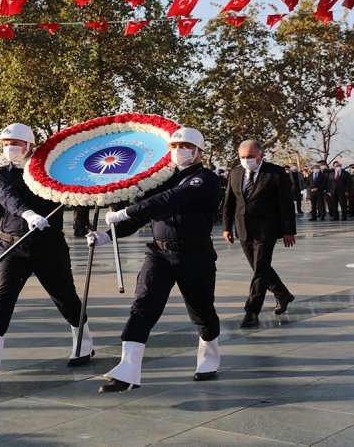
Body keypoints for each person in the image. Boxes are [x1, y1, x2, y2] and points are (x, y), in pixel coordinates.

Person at [0, 123, 94, 382]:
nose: (10, 148)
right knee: (1, 300)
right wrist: (28, 213)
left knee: (65, 297)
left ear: (30, 146)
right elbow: (7, 197)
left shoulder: (51, 173)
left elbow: (73, 191)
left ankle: (84, 343)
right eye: (6, 144)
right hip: (13, 245)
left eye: (15, 143)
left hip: (48, 245)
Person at [90, 127, 221, 393]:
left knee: (201, 310)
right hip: (158, 253)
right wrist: (107, 236)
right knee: (142, 307)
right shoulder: (161, 179)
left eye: (184, 146)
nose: (178, 151)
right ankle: (127, 371)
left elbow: (170, 199)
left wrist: (126, 211)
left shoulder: (205, 179)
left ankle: (209, 357)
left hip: (194, 254)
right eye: (173, 146)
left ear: (198, 150)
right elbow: (143, 216)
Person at [222, 140, 296, 329]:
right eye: (243, 157)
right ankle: (282, 294)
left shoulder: (276, 172)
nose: (246, 160)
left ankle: (252, 310)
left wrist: (288, 231)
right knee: (259, 267)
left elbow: (286, 204)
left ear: (261, 155)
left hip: (266, 229)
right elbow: (229, 202)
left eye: (250, 157)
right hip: (243, 228)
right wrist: (226, 227)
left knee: (260, 269)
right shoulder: (235, 172)